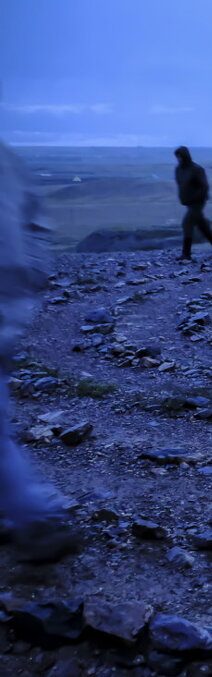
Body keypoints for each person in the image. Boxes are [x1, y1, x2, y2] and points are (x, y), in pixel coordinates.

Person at [0, 142, 78, 563]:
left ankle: (35, 519)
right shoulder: (7, 156)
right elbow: (36, 223)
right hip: (9, 298)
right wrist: (31, 279)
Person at [173, 146, 212, 260]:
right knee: (203, 227)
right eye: (177, 157)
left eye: (180, 156)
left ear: (185, 156)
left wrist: (198, 198)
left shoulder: (196, 169)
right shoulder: (179, 169)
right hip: (188, 202)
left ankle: (186, 254)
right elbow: (180, 184)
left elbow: (204, 186)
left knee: (187, 223)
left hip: (198, 202)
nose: (178, 159)